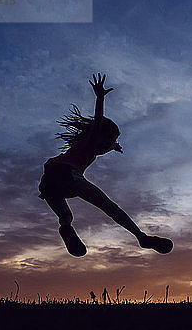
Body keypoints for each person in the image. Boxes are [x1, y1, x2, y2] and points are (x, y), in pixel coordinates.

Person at [38, 73, 173, 257]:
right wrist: (100, 98)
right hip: (67, 174)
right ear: (104, 136)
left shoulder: (86, 146)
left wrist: (112, 147)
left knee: (65, 217)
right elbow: (98, 121)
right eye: (113, 139)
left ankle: (66, 229)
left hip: (48, 182)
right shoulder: (91, 139)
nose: (113, 143)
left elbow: (103, 144)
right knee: (108, 206)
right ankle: (141, 237)